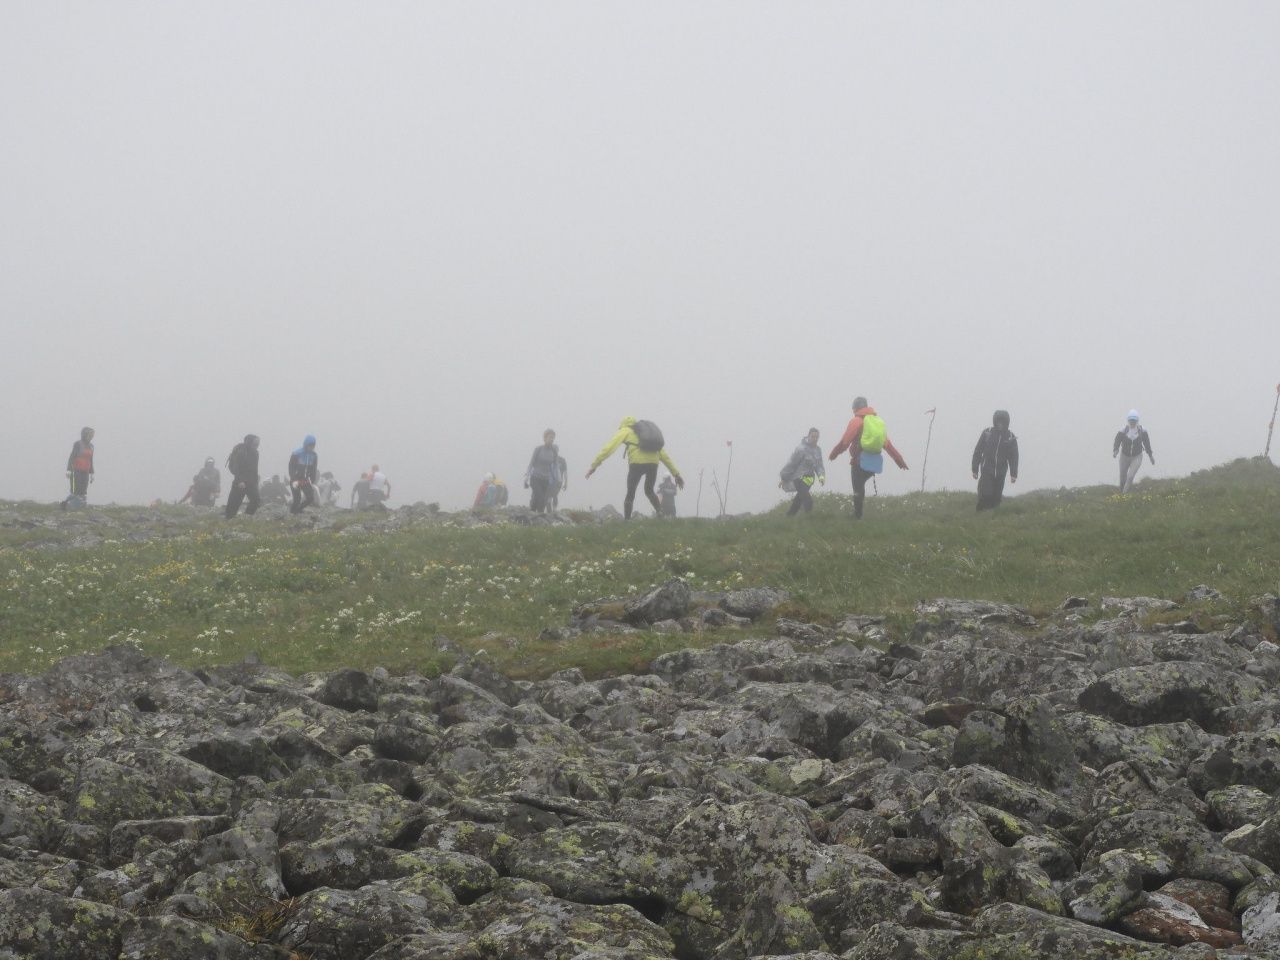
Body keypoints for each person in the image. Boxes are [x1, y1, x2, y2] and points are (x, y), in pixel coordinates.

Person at [585, 417, 684, 519]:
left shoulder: (625, 431)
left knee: (630, 492)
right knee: (649, 490)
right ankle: (660, 513)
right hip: (653, 463)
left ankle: (627, 521)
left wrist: (594, 466)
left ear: (623, 424)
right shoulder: (646, 434)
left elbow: (608, 449)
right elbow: (664, 455)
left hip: (637, 463)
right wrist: (676, 474)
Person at [828, 397, 908, 519]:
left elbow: (845, 442)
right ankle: (858, 514)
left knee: (858, 488)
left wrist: (834, 454)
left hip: (859, 461)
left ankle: (857, 516)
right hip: (874, 464)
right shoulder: (877, 422)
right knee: (861, 486)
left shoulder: (856, 421)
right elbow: (887, 445)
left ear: (855, 408)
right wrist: (899, 461)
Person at [971, 411, 1019, 511]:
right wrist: (974, 469)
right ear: (995, 421)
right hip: (987, 467)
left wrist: (1013, 473)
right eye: (998, 421)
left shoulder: (1010, 437)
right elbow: (978, 450)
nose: (1000, 424)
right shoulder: (987, 433)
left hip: (1001, 470)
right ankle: (980, 511)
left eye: (1003, 422)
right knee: (986, 492)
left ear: (1007, 422)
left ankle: (993, 515)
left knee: (997, 496)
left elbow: (1014, 456)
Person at [779, 428, 825, 516]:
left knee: (799, 499)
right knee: (808, 500)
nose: (815, 439)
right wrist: (784, 478)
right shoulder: (801, 449)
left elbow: (819, 465)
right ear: (808, 436)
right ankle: (810, 519)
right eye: (813, 436)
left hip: (809, 480)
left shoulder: (818, 450)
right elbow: (792, 464)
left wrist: (821, 477)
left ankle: (789, 516)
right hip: (799, 478)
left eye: (817, 437)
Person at [1113, 410, 1155, 493]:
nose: (1132, 422)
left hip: (1137, 457)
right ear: (1128, 420)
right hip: (1124, 457)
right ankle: (1121, 490)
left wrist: (1150, 456)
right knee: (1122, 477)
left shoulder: (1142, 431)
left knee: (1130, 476)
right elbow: (1117, 441)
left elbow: (1147, 443)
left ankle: (1123, 495)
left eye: (1134, 420)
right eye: (1131, 420)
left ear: (1137, 421)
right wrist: (1115, 450)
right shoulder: (1123, 430)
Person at [524, 430, 561, 514]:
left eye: (553, 438)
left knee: (542, 501)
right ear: (544, 438)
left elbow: (555, 466)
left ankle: (533, 516)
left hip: (546, 480)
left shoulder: (554, 452)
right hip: (535, 478)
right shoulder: (538, 449)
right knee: (540, 497)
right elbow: (531, 463)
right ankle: (538, 516)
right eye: (550, 437)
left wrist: (557, 479)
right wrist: (526, 478)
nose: (552, 440)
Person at [224, 434, 261, 518]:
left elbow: (255, 468)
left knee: (256, 500)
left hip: (251, 482)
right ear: (249, 442)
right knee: (234, 503)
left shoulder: (256, 453)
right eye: (255, 444)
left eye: (258, 444)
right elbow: (235, 468)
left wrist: (256, 481)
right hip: (240, 482)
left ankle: (246, 517)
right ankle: (228, 520)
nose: (257, 446)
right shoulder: (241, 452)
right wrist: (240, 481)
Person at [61, 427, 95, 509]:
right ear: (84, 434)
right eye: (89, 435)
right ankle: (66, 506)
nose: (91, 437)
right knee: (75, 492)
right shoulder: (78, 444)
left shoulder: (91, 446)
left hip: (86, 471)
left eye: (92, 435)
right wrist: (68, 470)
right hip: (76, 470)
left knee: (83, 492)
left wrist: (92, 473)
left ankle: (78, 506)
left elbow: (90, 459)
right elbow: (72, 456)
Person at [287, 435, 319, 514]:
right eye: (310, 445)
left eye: (313, 446)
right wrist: (293, 479)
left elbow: (314, 468)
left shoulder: (314, 455)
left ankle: (298, 510)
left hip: (305, 480)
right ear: (305, 444)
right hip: (296, 480)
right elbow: (291, 467)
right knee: (297, 499)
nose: (311, 447)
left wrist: (312, 479)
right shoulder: (296, 453)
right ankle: (292, 513)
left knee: (310, 498)